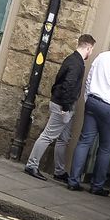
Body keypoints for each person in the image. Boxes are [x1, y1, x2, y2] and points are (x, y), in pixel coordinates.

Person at [67, 38, 110, 196]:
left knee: (84, 141)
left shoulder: (102, 56)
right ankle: (96, 186)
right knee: (105, 148)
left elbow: (89, 79)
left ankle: (73, 181)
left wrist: (88, 99)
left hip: (93, 102)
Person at [24, 33, 96, 182]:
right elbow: (68, 85)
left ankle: (59, 171)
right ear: (88, 47)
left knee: (64, 138)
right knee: (48, 135)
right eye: (92, 49)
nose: (91, 52)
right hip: (64, 105)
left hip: (65, 103)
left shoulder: (72, 59)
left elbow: (59, 81)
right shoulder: (76, 63)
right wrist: (65, 106)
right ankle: (32, 165)